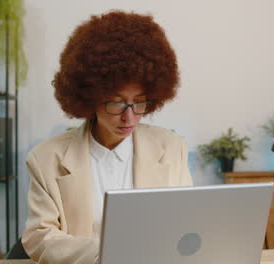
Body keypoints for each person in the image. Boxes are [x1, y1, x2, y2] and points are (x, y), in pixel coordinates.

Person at [22, 10, 192, 264]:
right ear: (90, 98)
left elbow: (188, 222)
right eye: (116, 103)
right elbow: (39, 237)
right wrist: (105, 254)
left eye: (140, 103)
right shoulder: (46, 159)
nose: (129, 117)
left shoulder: (171, 148)